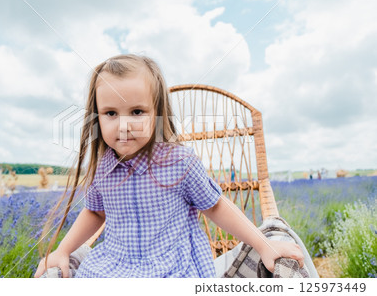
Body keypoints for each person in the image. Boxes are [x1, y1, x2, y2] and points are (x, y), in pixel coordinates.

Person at [34, 54, 304, 278]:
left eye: (137, 112)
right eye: (111, 113)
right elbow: (95, 213)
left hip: (172, 267)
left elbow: (216, 205)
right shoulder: (103, 169)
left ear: (157, 114)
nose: (124, 125)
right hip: (115, 266)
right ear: (97, 117)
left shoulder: (179, 162)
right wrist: (63, 250)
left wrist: (262, 243)